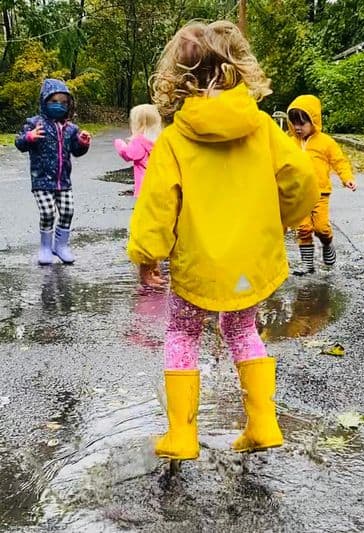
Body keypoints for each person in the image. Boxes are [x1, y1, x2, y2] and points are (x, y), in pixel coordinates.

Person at [127, 20, 319, 460]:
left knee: (181, 332)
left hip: (196, 264)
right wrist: (281, 221)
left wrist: (147, 254)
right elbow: (302, 180)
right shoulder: (265, 129)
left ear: (178, 76)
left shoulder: (174, 140)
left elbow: (158, 204)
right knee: (242, 328)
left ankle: (180, 435)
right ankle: (264, 424)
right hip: (250, 261)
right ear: (238, 68)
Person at [15, 78, 91, 265]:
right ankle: (45, 247)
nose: (59, 106)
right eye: (54, 101)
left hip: (63, 180)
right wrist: (29, 137)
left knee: (67, 211)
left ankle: (61, 245)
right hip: (41, 179)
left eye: (64, 102)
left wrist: (82, 142)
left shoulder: (71, 128)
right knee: (47, 212)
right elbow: (19, 143)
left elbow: (76, 150)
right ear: (44, 101)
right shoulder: (35, 123)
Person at [287, 95, 356, 275]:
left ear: (314, 121)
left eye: (302, 123)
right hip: (298, 195)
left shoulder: (325, 142)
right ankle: (307, 265)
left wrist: (346, 177)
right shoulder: (289, 142)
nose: (297, 127)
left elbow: (339, 161)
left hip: (320, 193)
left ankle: (327, 243)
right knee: (303, 229)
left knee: (321, 228)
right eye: (294, 123)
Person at [114, 104, 162, 198]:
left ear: (137, 124)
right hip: (160, 186)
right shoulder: (162, 140)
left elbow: (128, 154)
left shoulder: (139, 141)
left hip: (144, 189)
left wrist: (119, 143)